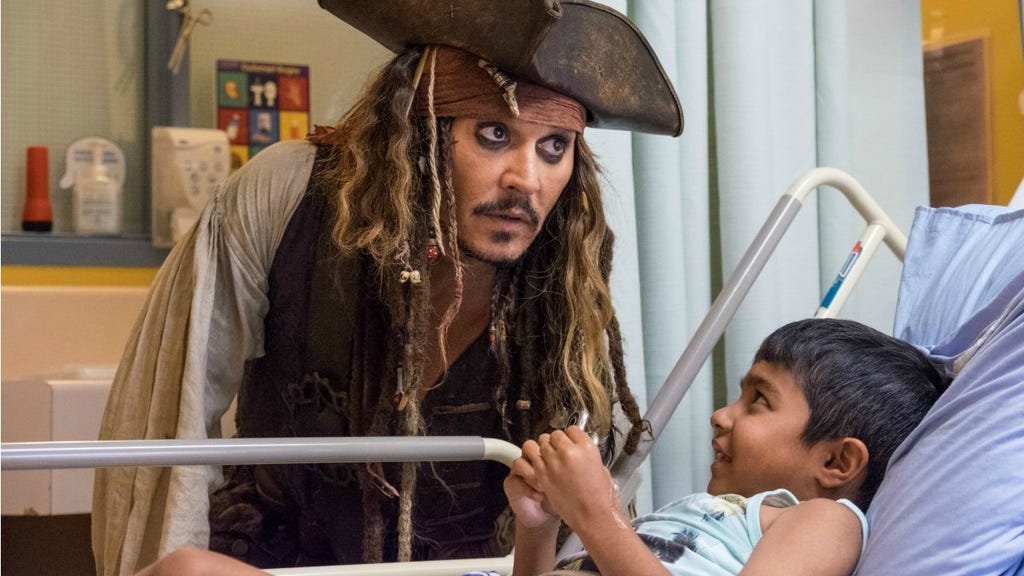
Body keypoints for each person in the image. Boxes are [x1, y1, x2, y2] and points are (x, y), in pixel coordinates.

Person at [92, 1, 683, 575]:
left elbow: (581, 517)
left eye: (554, 146)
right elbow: (174, 429)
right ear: (421, 133)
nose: (526, 180)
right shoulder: (288, 195)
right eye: (494, 133)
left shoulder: (564, 270)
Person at [505, 318, 947, 576]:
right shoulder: (698, 516)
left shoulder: (827, 521)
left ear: (836, 461)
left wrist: (598, 515)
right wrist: (537, 527)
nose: (721, 415)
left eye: (759, 400)